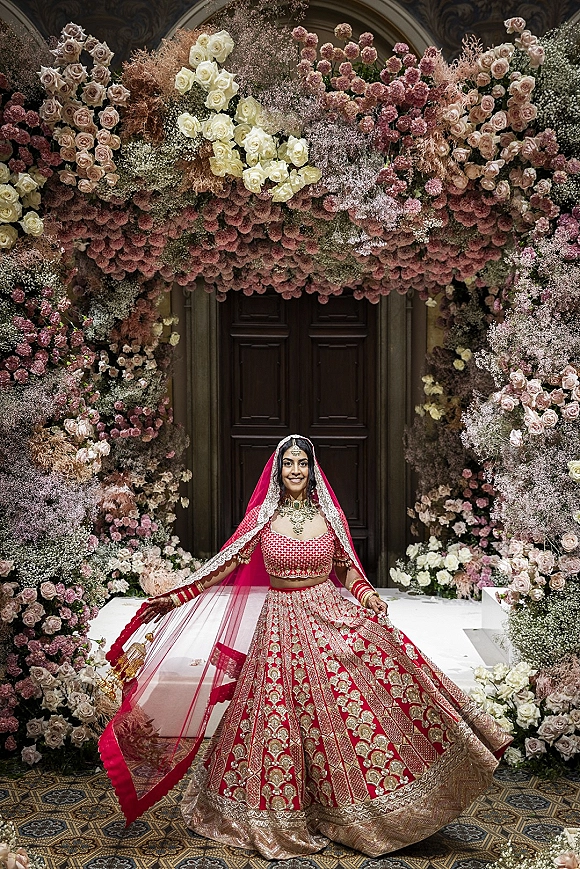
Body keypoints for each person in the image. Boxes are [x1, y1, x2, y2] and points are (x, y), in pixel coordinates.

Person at [100, 435, 510, 859]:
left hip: (327, 613)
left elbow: (347, 568)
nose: (295, 471)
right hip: (279, 626)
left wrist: (367, 596)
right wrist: (175, 597)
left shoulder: (328, 517)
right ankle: (283, 812)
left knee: (345, 709)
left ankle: (366, 810)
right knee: (276, 719)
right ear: (278, 471)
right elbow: (221, 566)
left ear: (312, 471)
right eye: (288, 464)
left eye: (302, 464)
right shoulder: (263, 519)